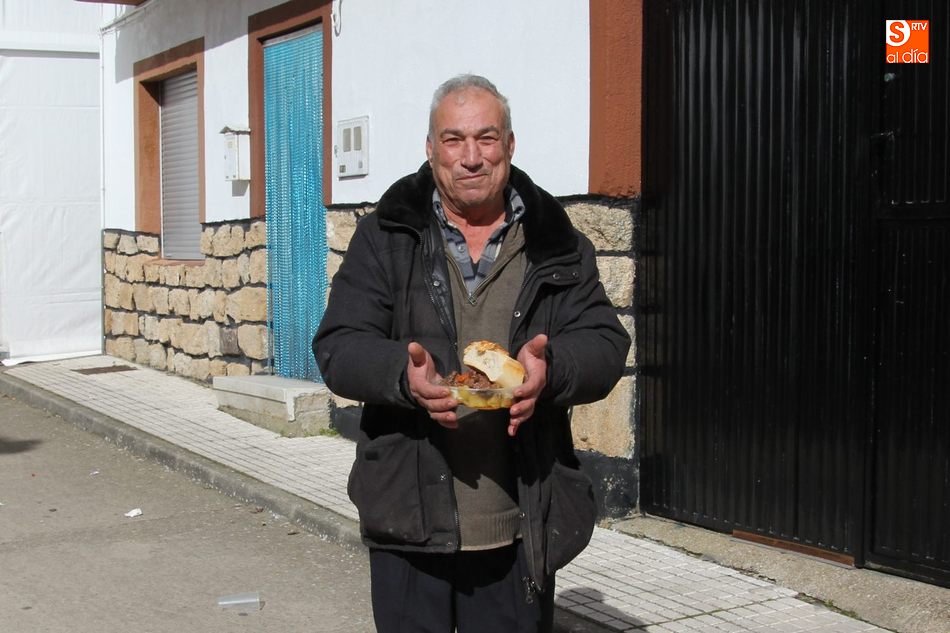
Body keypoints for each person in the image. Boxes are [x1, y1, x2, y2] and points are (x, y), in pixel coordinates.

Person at [313, 74, 629, 633]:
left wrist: (551, 372)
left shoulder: (555, 241)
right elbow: (339, 345)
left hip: (520, 522)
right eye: (454, 139)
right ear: (430, 148)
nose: (471, 158)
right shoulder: (387, 236)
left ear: (510, 145)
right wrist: (401, 379)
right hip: (410, 519)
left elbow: (605, 342)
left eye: (486, 138)